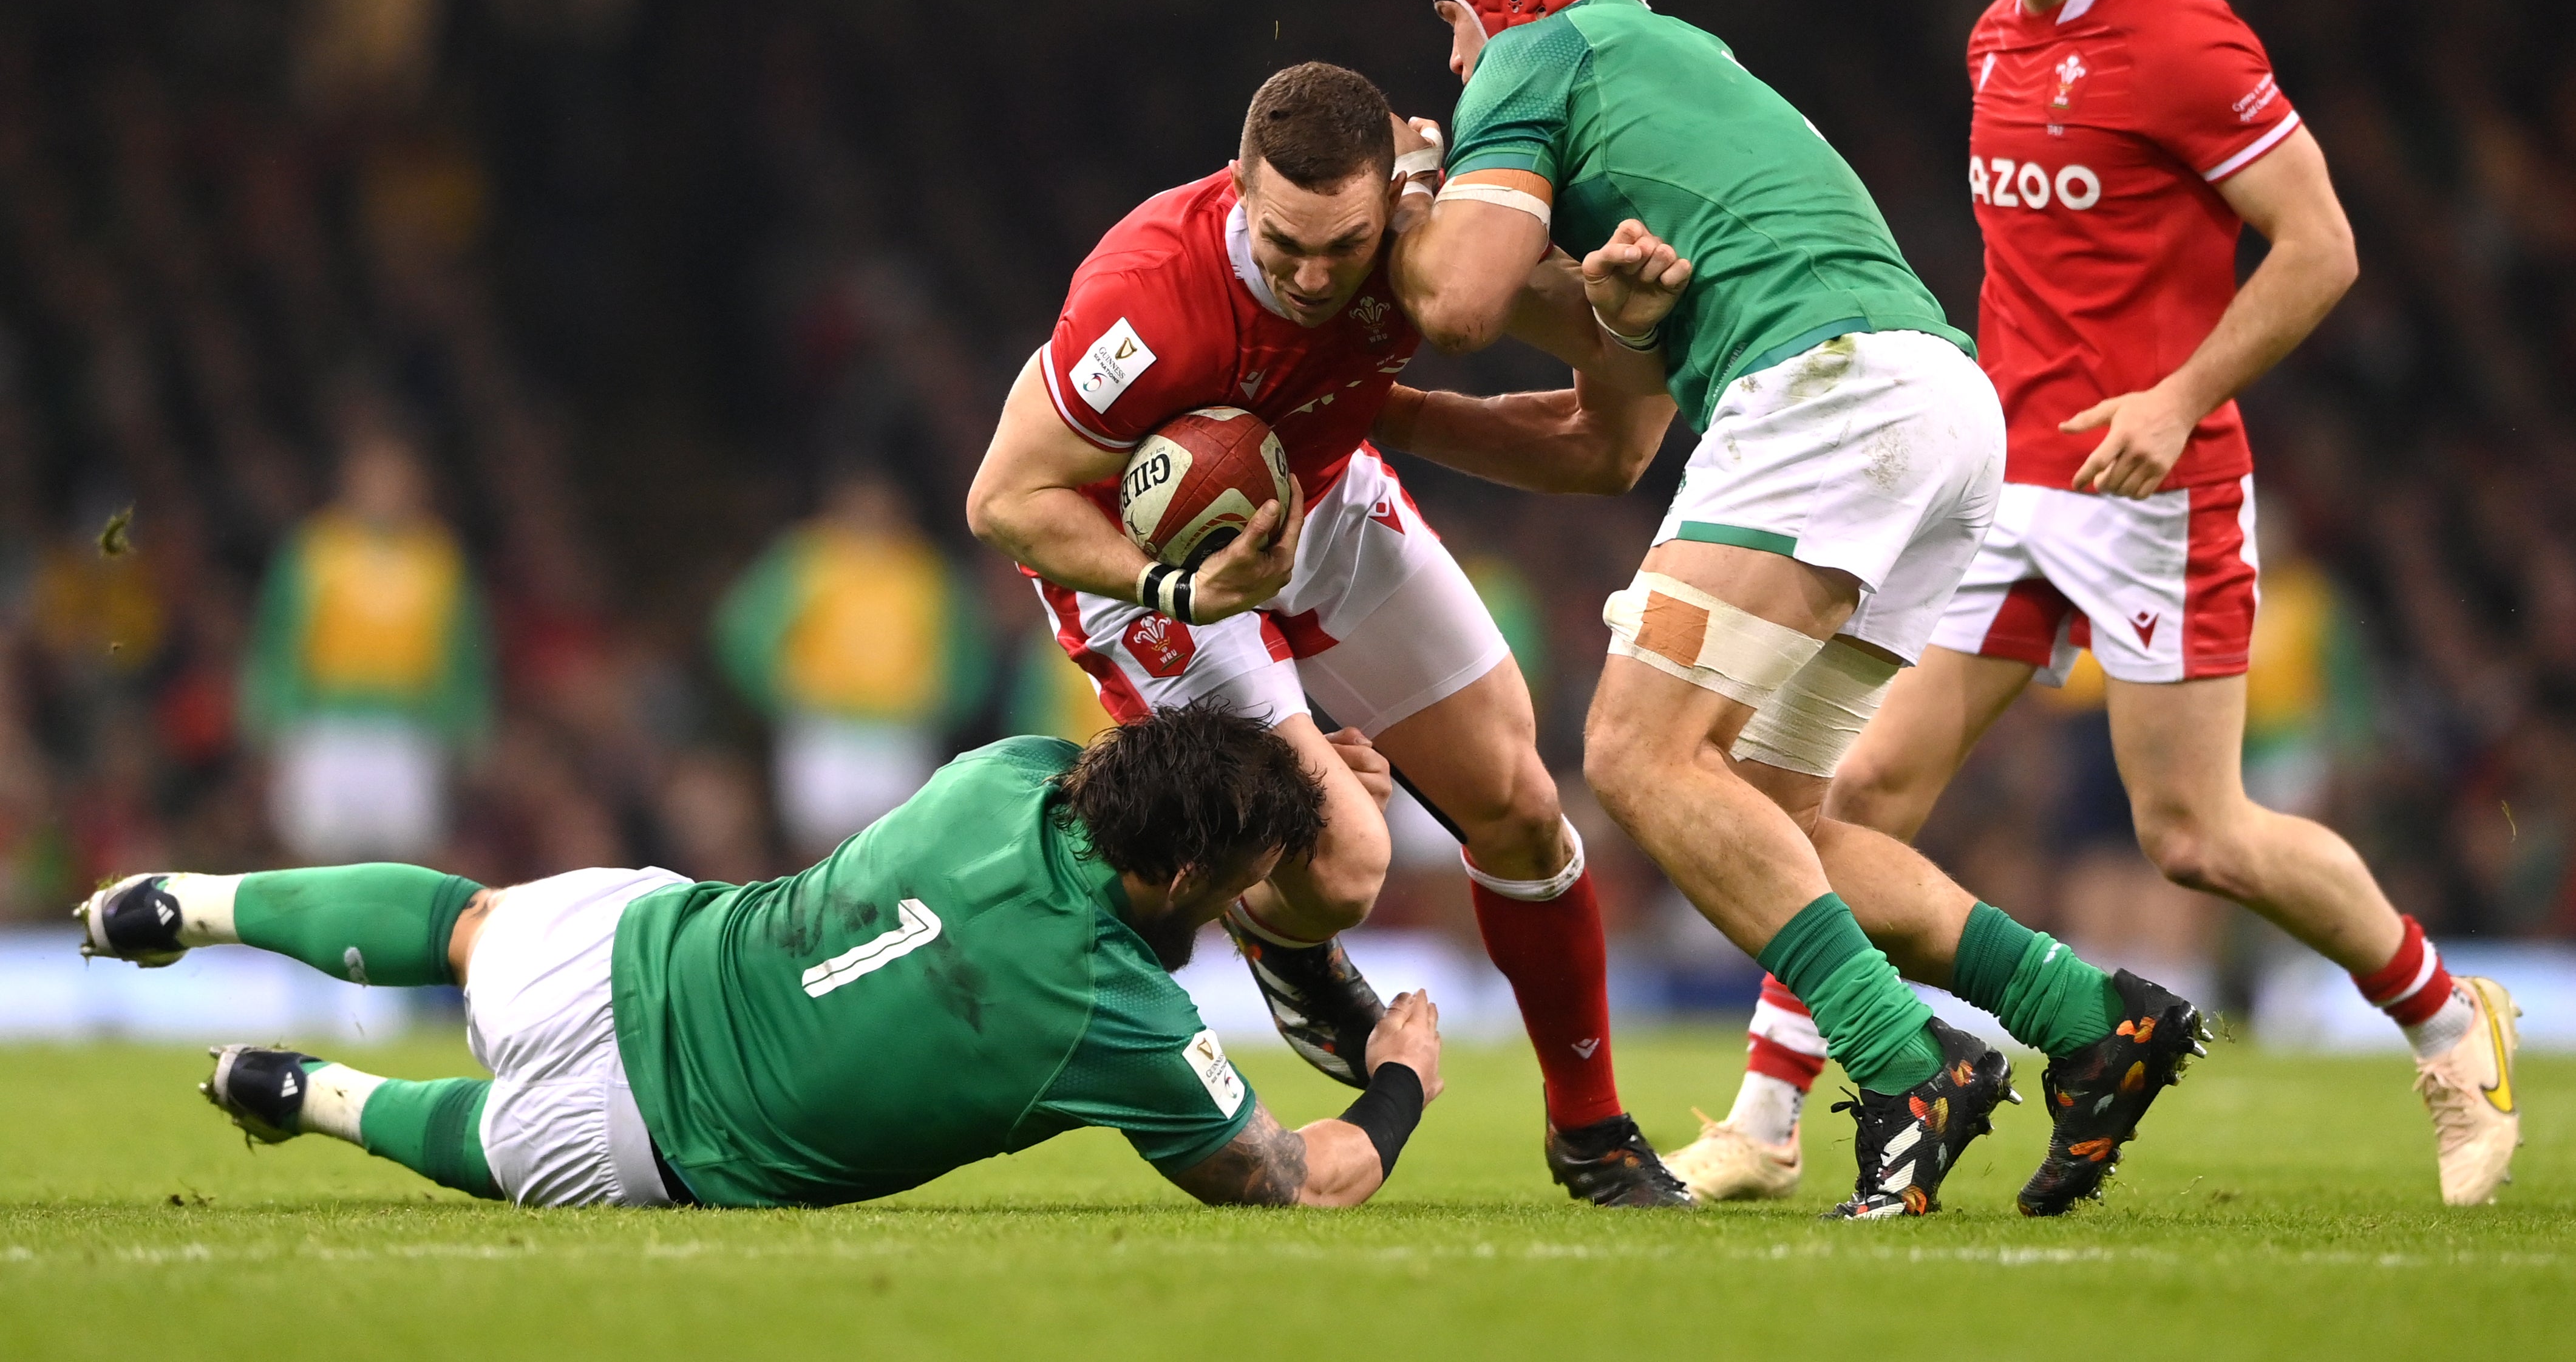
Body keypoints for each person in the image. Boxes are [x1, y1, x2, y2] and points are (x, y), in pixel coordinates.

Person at [1690, 0, 2521, 1210]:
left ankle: (2453, 1021)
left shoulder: (2185, 40)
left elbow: (2321, 245)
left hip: (2158, 492)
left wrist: (2181, 391)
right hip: (2008, 483)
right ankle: (1764, 1122)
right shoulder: (1992, 38)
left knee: (2196, 839)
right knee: (1859, 784)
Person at [1382, 0, 2204, 1219]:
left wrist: (1406, 203)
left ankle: (1906, 1069)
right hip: (1935, 406)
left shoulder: (1530, 56)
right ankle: (2092, 1016)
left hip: (1825, 393)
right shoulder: (1668, 67)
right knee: (1770, 817)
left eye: (1453, 30)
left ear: (1490, 1)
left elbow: (1460, 299)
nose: (1457, 65)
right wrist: (1398, 412)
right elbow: (1612, 443)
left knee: (1639, 755)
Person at [967, 61, 1691, 1206]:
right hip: (1153, 563)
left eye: (1340, 247)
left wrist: (1627, 317)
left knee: (1516, 800)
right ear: (1239, 184)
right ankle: (1278, 932)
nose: (1310, 274)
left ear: (1388, 205)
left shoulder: (1424, 236)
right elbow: (1004, 499)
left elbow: (1601, 378)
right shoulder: (1147, 296)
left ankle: (1591, 1133)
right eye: (1280, 242)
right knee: (1346, 866)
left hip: (1321, 491)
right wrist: (1175, 589)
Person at [74, 704, 1444, 1210]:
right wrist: (1397, 1080)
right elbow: (1291, 1179)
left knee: (463, 922)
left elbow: (1149, 758)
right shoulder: (1118, 1016)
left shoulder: (1008, 774)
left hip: (630, 952)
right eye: (1249, 877)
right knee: (493, 1144)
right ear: (1188, 876)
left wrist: (1295, 770)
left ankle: (183, 902)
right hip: (650, 1142)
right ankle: (312, 1096)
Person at [239, 432, 493, 863]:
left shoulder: (438, 556)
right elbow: (278, 637)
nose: (385, 488)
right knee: (314, 852)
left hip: (409, 729)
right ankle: (308, 934)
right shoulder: (316, 549)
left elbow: (463, 650)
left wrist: (468, 723)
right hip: (325, 726)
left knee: (406, 857)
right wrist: (270, 717)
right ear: (350, 480)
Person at [714, 469, 992, 857]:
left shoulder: (923, 568)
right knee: (819, 843)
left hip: (900, 729)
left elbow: (966, 650)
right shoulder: (809, 558)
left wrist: (949, 704)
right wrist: (777, 692)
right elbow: (744, 632)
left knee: (899, 846)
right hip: (826, 725)